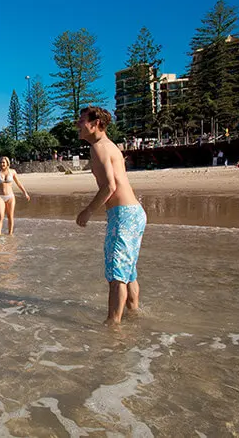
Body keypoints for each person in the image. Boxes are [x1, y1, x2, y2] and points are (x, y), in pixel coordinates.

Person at [75, 106, 147, 326]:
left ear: (95, 124)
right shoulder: (108, 146)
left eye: (81, 120)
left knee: (117, 276)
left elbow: (109, 186)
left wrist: (87, 212)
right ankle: (134, 315)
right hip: (135, 213)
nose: (77, 124)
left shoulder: (100, 147)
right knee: (128, 271)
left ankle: (112, 326)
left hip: (123, 215)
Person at [0, 156, 30, 235]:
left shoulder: (12, 172)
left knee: (10, 216)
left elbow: (18, 183)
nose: (2, 164)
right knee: (0, 216)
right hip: (0, 196)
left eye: (3, 162)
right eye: (1, 162)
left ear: (7, 163)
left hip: (10, 196)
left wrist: (25, 193)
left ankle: (10, 234)